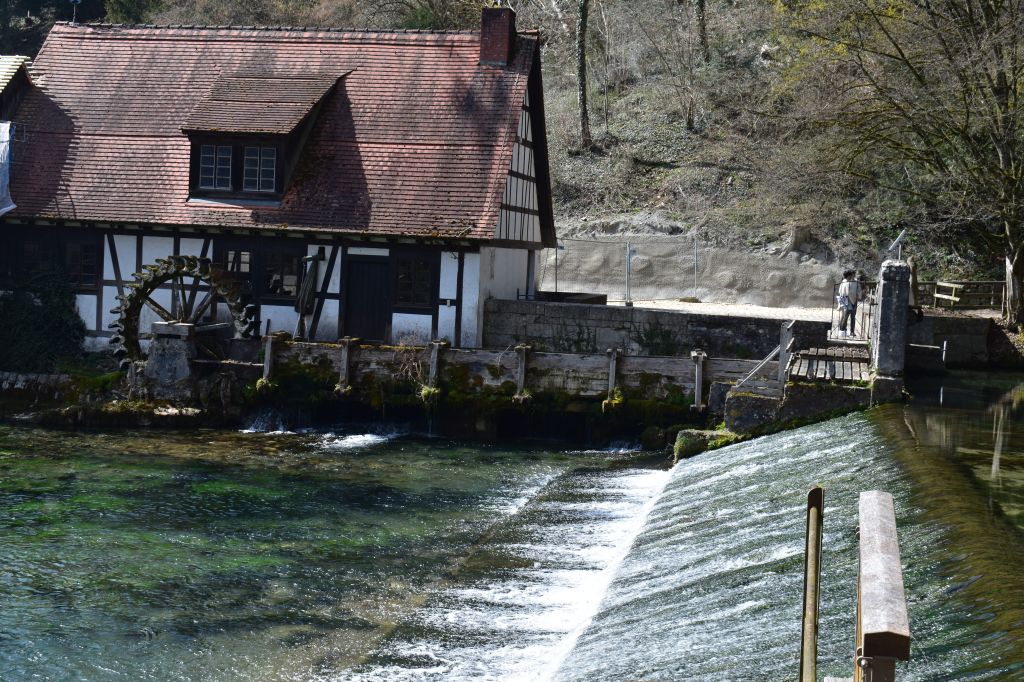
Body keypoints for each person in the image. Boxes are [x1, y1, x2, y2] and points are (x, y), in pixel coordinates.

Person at [837, 269, 862, 337]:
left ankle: (852, 331)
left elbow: (859, 290)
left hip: (854, 301)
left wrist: (858, 296)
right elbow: (841, 291)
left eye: (854, 274)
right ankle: (842, 330)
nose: (853, 275)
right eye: (852, 274)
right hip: (846, 301)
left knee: (853, 317)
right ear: (850, 275)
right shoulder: (844, 281)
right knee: (845, 317)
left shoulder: (856, 282)